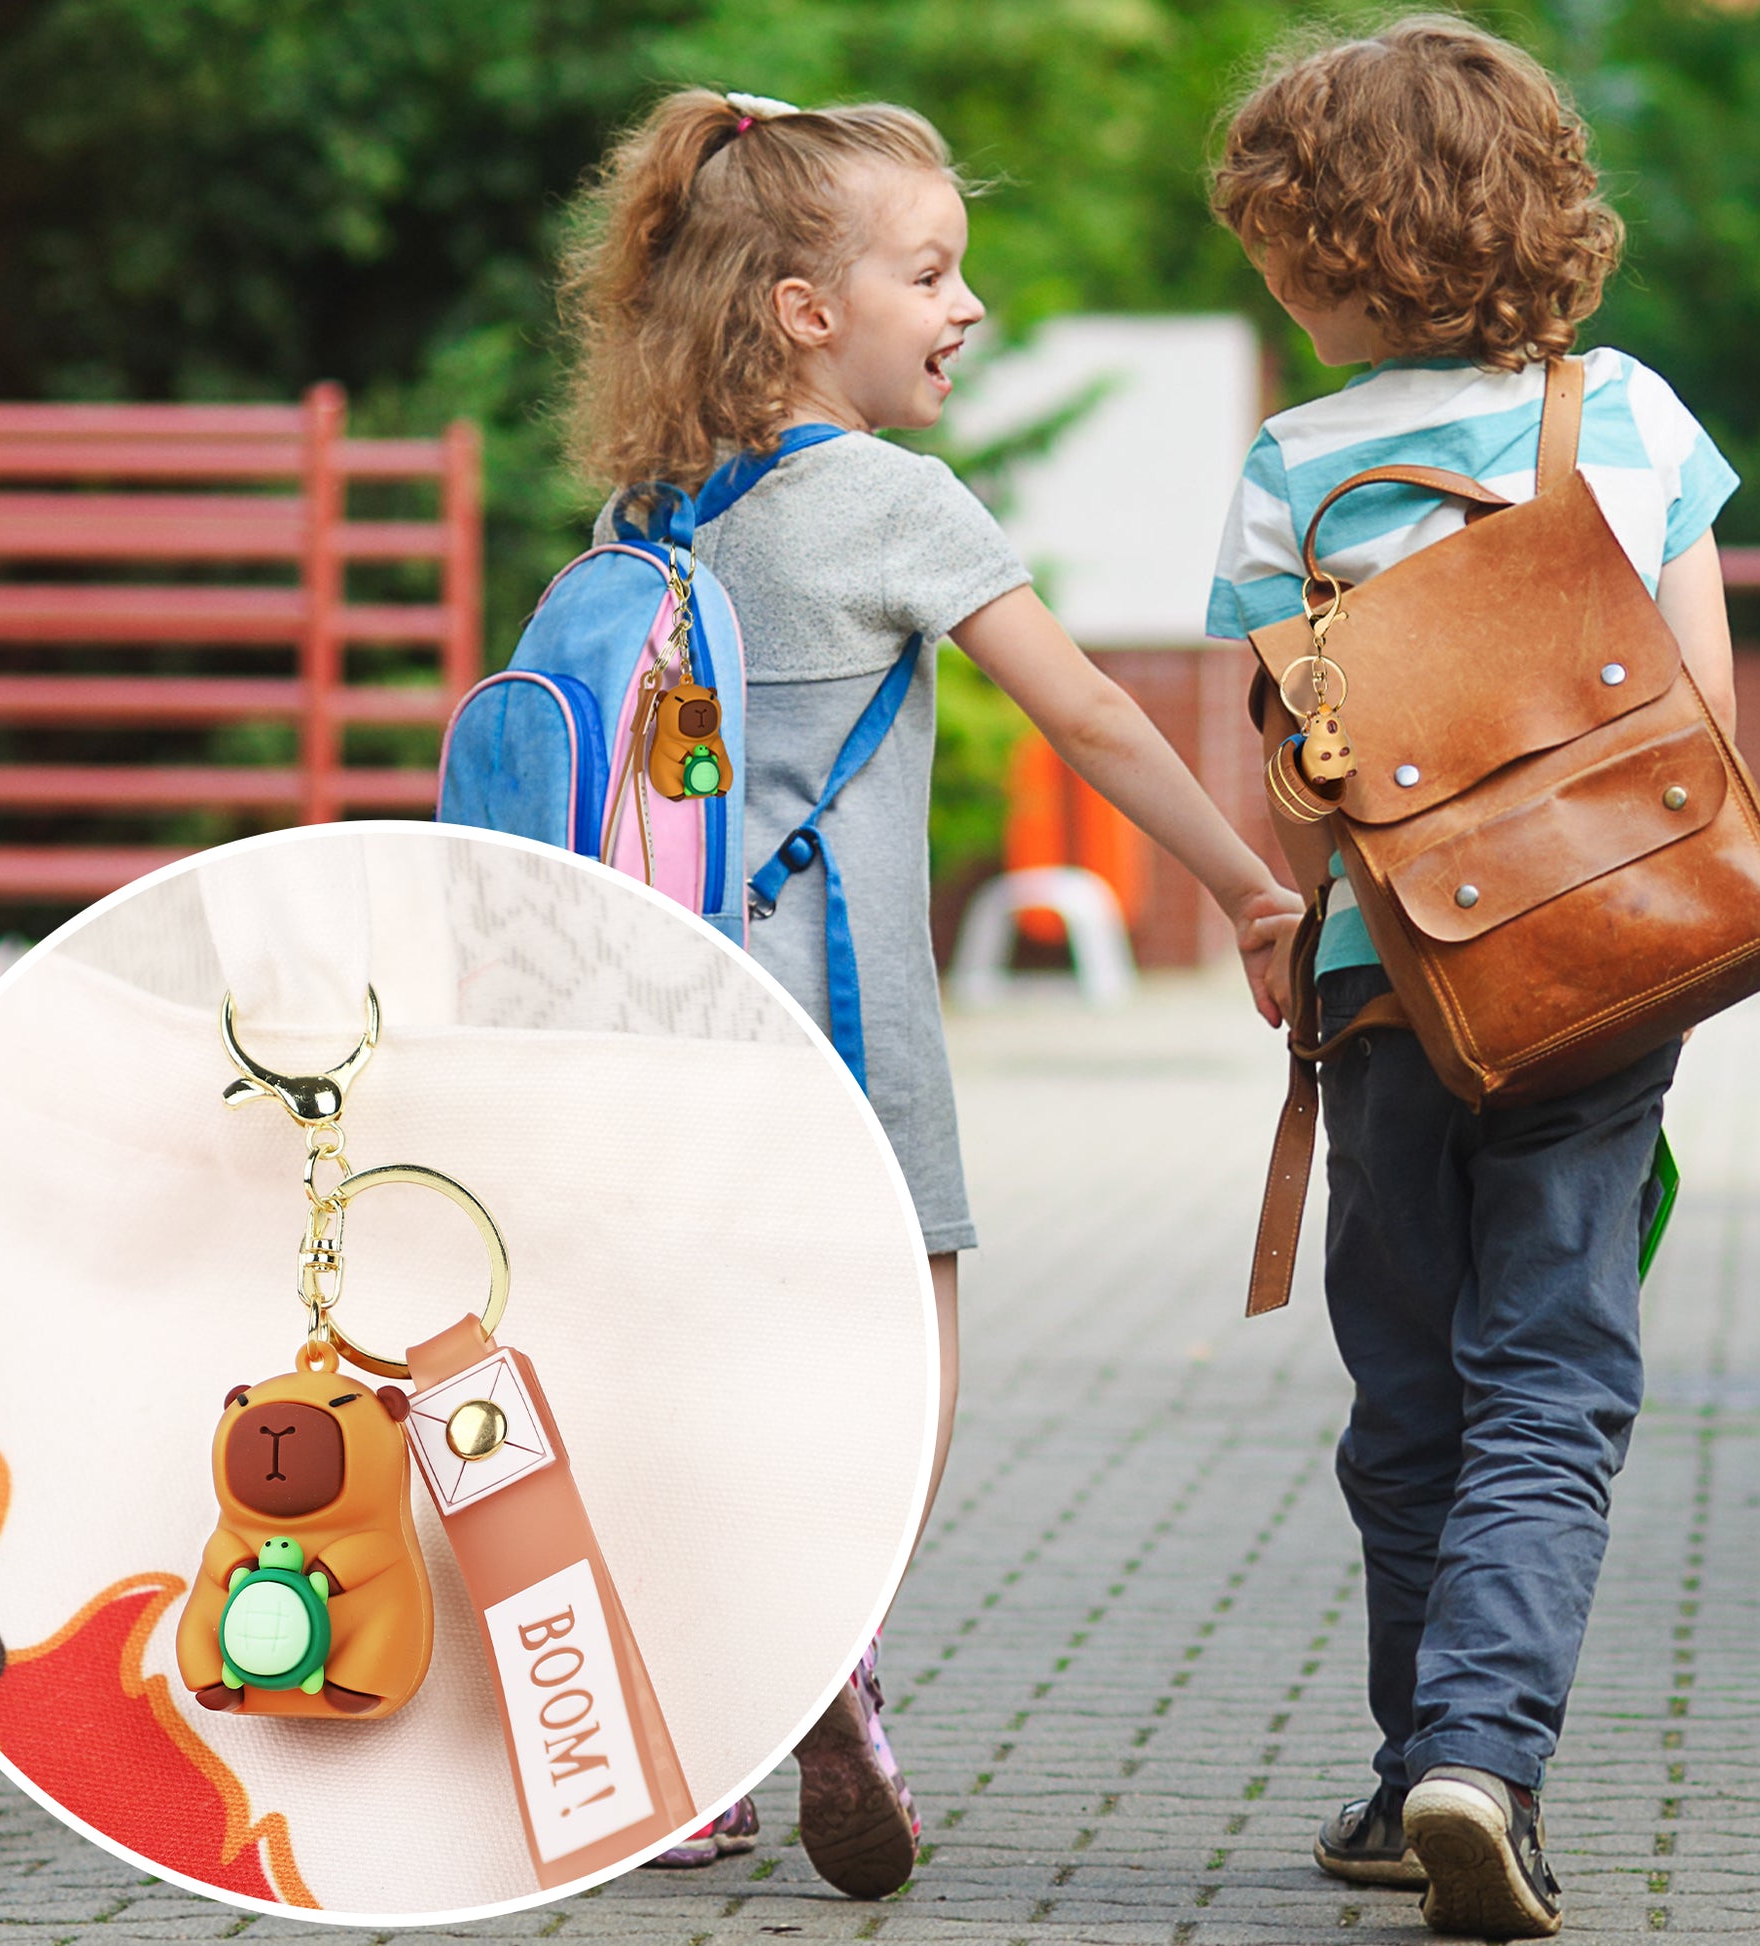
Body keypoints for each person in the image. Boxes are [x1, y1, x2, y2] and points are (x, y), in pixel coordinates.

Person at [560, 87, 1303, 1897]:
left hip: (659, 1029)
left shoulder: (639, 509)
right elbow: (1095, 712)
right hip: (843, 1027)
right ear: (806, 310)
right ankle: (825, 1649)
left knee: (687, 1371)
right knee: (901, 1358)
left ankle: (691, 1758)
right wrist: (1247, 885)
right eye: (929, 272)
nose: (964, 306)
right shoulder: (890, 499)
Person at [1207, 17, 1739, 1939]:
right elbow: (1695, 722)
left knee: (1410, 1386)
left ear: (1329, 251)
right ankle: (1475, 1760)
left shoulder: (1286, 469)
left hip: (1385, 986)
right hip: (1596, 968)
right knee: (1551, 1376)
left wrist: (1292, 913)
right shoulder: (1635, 422)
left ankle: (1401, 1764)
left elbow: (1284, 784)